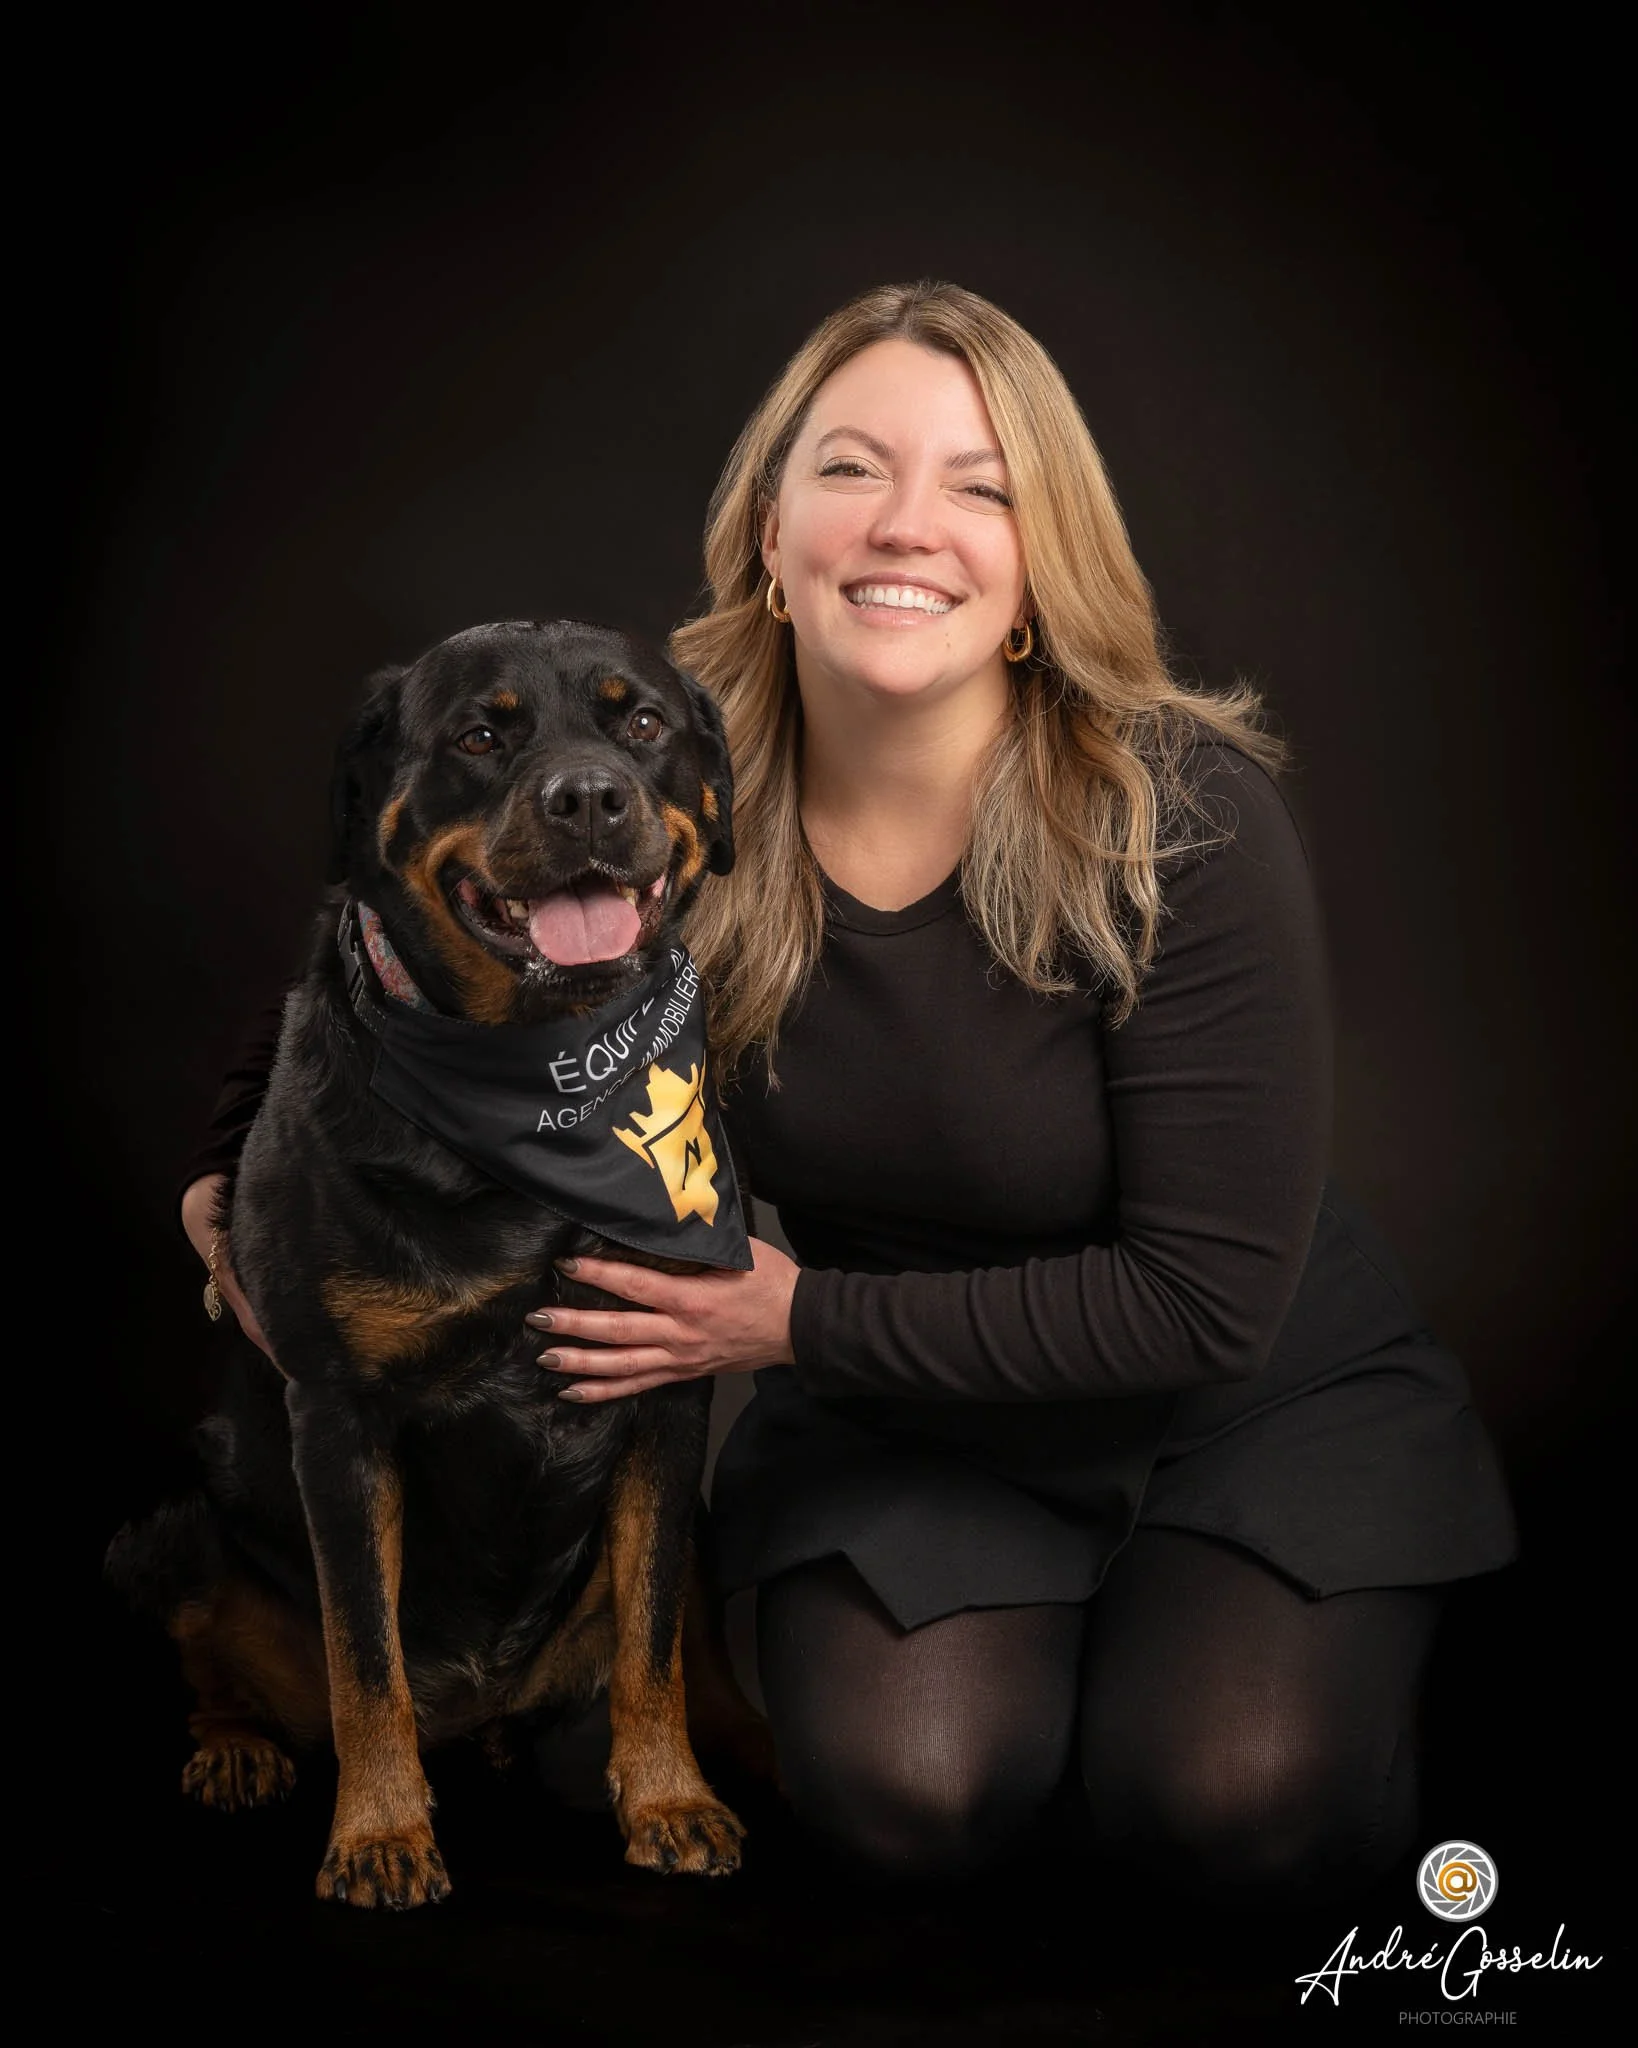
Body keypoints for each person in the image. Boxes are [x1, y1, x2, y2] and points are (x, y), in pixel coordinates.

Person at [179, 281, 1515, 1903]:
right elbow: (378, 946)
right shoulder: (671, 774)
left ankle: (1250, 1646)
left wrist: (784, 1324)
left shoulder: (1178, 812)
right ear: (768, 531)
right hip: (916, 1419)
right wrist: (222, 1170)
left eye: (978, 483)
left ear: (1038, 559)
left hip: (1235, 1400)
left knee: (1228, 1806)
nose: (907, 525)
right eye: (849, 469)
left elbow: (1205, 1302)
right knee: (909, 1798)